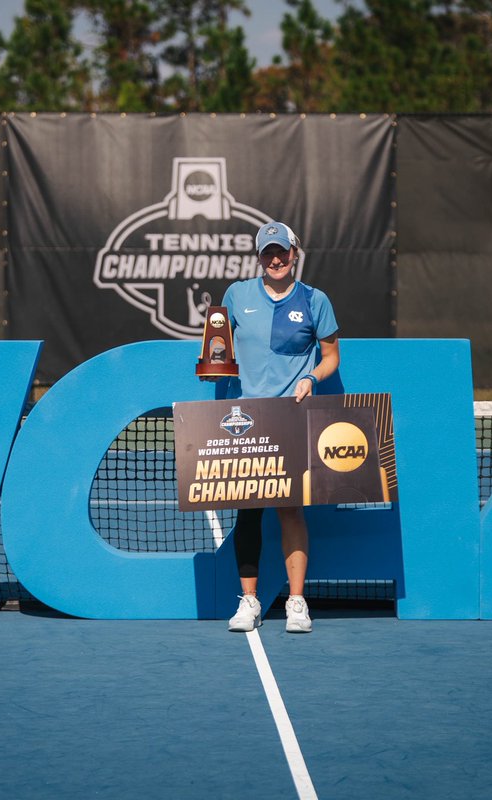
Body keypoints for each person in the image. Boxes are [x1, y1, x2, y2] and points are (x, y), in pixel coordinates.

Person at [217, 220, 340, 633]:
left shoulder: (315, 300)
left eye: (281, 252)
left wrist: (311, 378)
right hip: (246, 421)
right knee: (247, 511)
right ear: (259, 257)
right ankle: (249, 601)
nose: (275, 259)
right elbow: (220, 346)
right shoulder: (236, 295)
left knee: (290, 509)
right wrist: (214, 364)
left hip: (292, 417)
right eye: (267, 253)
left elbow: (330, 357)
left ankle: (297, 602)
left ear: (294, 253)